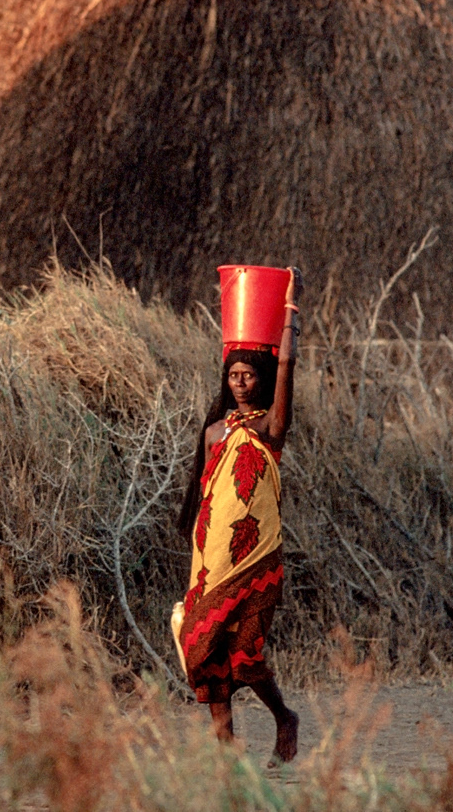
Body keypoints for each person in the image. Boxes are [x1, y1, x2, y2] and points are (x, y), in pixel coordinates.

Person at [176, 268, 302, 759]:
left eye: (249, 375)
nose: (242, 383)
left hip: (257, 557)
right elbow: (209, 497)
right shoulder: (213, 433)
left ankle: (284, 717)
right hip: (211, 558)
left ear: (262, 378)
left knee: (248, 658)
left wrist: (290, 314)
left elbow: (288, 365)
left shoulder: (272, 426)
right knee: (204, 652)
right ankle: (227, 753)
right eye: (234, 375)